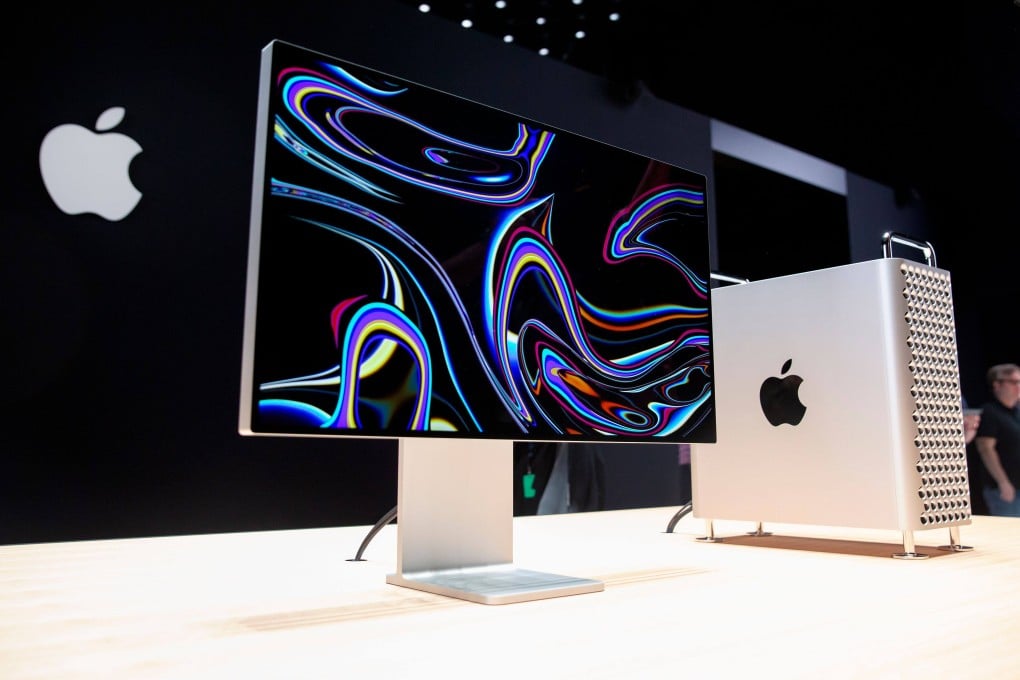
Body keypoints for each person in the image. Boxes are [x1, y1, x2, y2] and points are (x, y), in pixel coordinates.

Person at [974, 363, 1020, 517]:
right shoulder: (991, 412)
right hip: (1004, 489)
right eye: (1013, 382)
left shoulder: (1017, 412)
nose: (1018, 386)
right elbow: (986, 448)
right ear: (997, 384)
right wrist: (1003, 482)